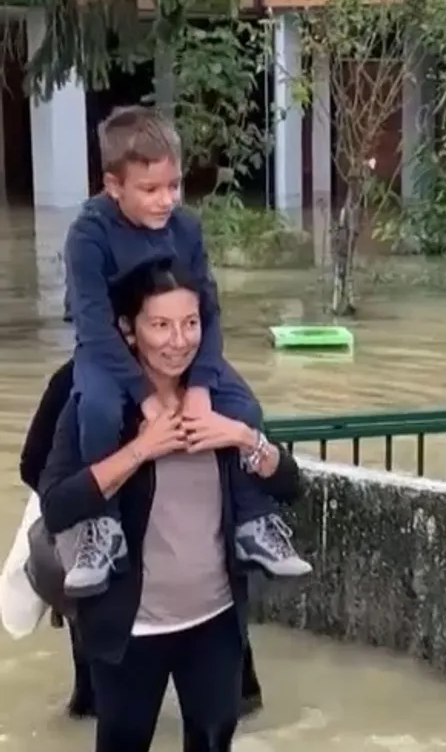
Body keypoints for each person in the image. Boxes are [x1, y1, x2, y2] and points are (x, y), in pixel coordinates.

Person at [39, 262, 301, 751]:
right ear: (128, 330)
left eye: (191, 323)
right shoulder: (90, 399)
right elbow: (55, 505)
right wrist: (140, 449)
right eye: (160, 325)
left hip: (216, 620)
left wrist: (245, 440)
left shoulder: (220, 396)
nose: (178, 341)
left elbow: (289, 486)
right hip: (129, 625)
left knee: (212, 739)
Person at [61, 105, 310, 598]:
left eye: (173, 186)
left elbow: (209, 312)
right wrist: (147, 398)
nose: (166, 200)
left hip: (182, 344)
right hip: (113, 350)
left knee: (242, 406)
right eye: (150, 190)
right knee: (99, 409)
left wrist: (199, 388)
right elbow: (92, 326)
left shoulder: (187, 229)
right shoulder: (88, 235)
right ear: (114, 186)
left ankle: (253, 523)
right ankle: (102, 528)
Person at [19, 358, 265, 721]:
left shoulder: (206, 382)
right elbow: (39, 473)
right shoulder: (208, 377)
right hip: (150, 556)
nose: (175, 341)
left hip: (157, 567)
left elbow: (33, 468)